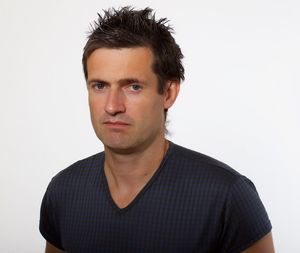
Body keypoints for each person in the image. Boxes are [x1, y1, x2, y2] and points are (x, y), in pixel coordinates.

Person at [40, 6, 275, 253]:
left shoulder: (228, 196)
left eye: (133, 87)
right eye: (99, 85)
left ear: (169, 93)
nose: (112, 106)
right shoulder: (63, 190)